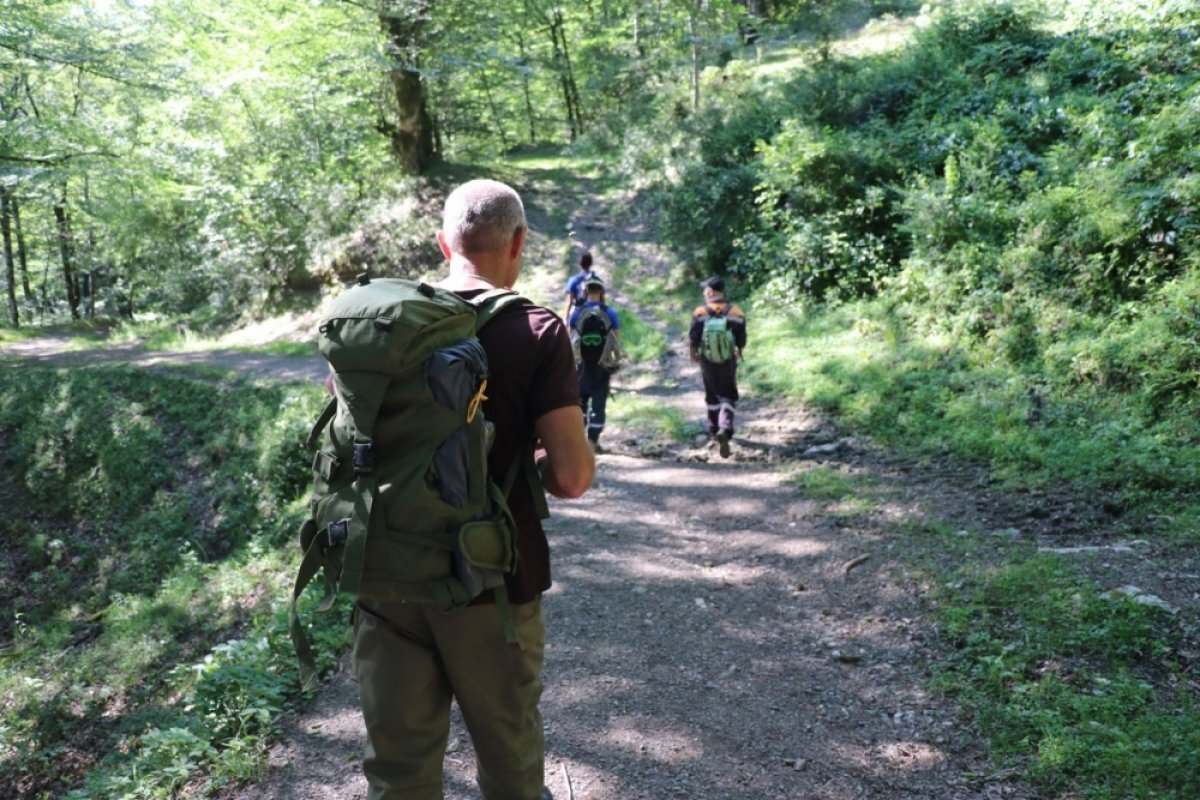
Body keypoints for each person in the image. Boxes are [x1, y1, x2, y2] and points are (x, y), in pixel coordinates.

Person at [352, 179, 595, 800]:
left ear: (443, 243)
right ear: (518, 242)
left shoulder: (380, 324)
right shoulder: (537, 332)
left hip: (388, 573)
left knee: (398, 771)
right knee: (509, 758)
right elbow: (571, 477)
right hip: (491, 583)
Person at [688, 275, 747, 459]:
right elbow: (741, 337)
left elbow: (694, 336)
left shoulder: (700, 312)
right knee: (728, 394)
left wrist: (693, 352)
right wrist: (739, 349)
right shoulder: (735, 311)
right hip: (728, 358)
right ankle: (725, 427)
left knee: (712, 393)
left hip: (707, 359)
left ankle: (713, 430)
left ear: (711, 291)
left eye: (705, 289)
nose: (704, 292)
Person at [568, 274, 621, 451]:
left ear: (585, 290)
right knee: (599, 403)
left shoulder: (577, 313)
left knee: (579, 402)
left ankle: (578, 441)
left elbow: (571, 339)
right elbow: (615, 341)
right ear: (601, 291)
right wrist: (616, 360)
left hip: (581, 365)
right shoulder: (609, 313)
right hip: (602, 366)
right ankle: (593, 442)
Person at [562, 251, 599, 321]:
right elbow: (602, 299)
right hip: (595, 310)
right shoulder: (597, 279)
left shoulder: (574, 280)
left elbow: (569, 301)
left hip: (579, 310)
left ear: (579, 263)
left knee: (570, 327)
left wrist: (565, 319)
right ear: (591, 263)